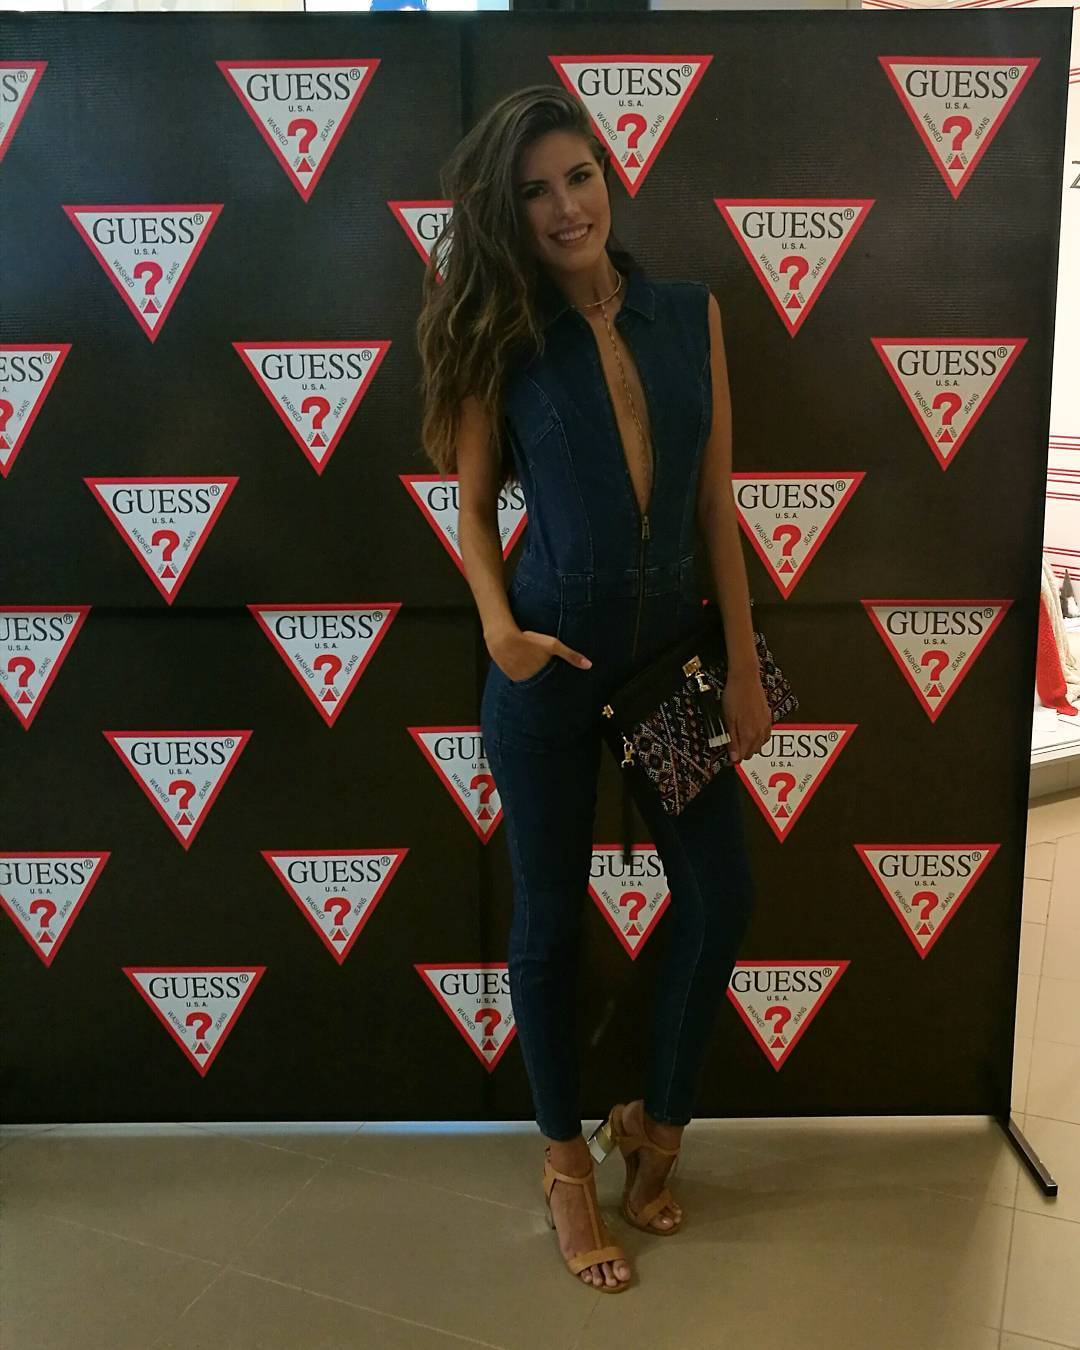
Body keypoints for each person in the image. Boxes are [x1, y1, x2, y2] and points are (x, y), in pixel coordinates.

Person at [416, 85, 772, 1293]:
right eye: (535, 192)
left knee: (720, 897)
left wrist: (739, 664)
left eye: (579, 176)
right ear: (506, 214)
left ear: (608, 177)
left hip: (671, 661)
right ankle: (567, 1164)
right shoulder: (501, 334)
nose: (566, 207)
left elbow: (715, 502)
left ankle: (654, 1130)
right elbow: (470, 508)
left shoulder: (690, 314)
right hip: (552, 664)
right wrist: (501, 632)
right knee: (550, 924)